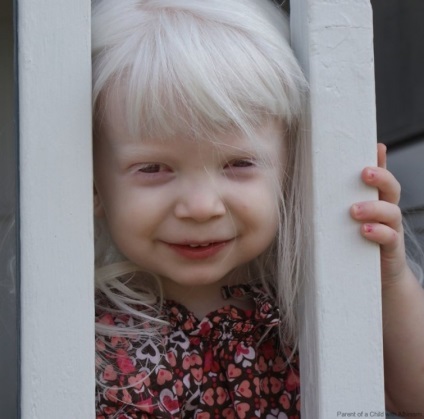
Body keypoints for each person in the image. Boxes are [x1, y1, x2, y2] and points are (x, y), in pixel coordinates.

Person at [92, 0, 424, 417]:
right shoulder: (82, 331)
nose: (201, 207)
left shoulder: (306, 307)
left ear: (290, 170)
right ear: (93, 185)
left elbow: (416, 399)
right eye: (154, 168)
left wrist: (387, 285)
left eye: (238, 164)